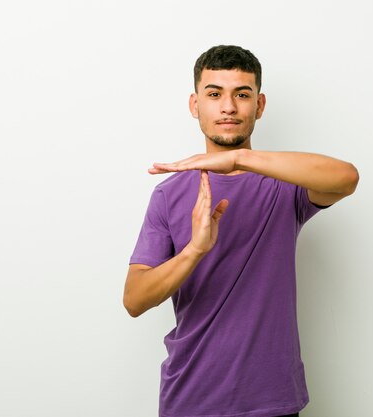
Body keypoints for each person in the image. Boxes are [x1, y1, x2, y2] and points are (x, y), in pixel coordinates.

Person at [123, 45, 359, 417]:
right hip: (191, 398)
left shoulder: (284, 183)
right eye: (214, 94)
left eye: (242, 95)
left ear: (259, 106)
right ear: (194, 104)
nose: (228, 107)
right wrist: (194, 251)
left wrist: (238, 158)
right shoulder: (168, 196)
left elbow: (347, 178)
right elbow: (135, 300)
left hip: (273, 400)